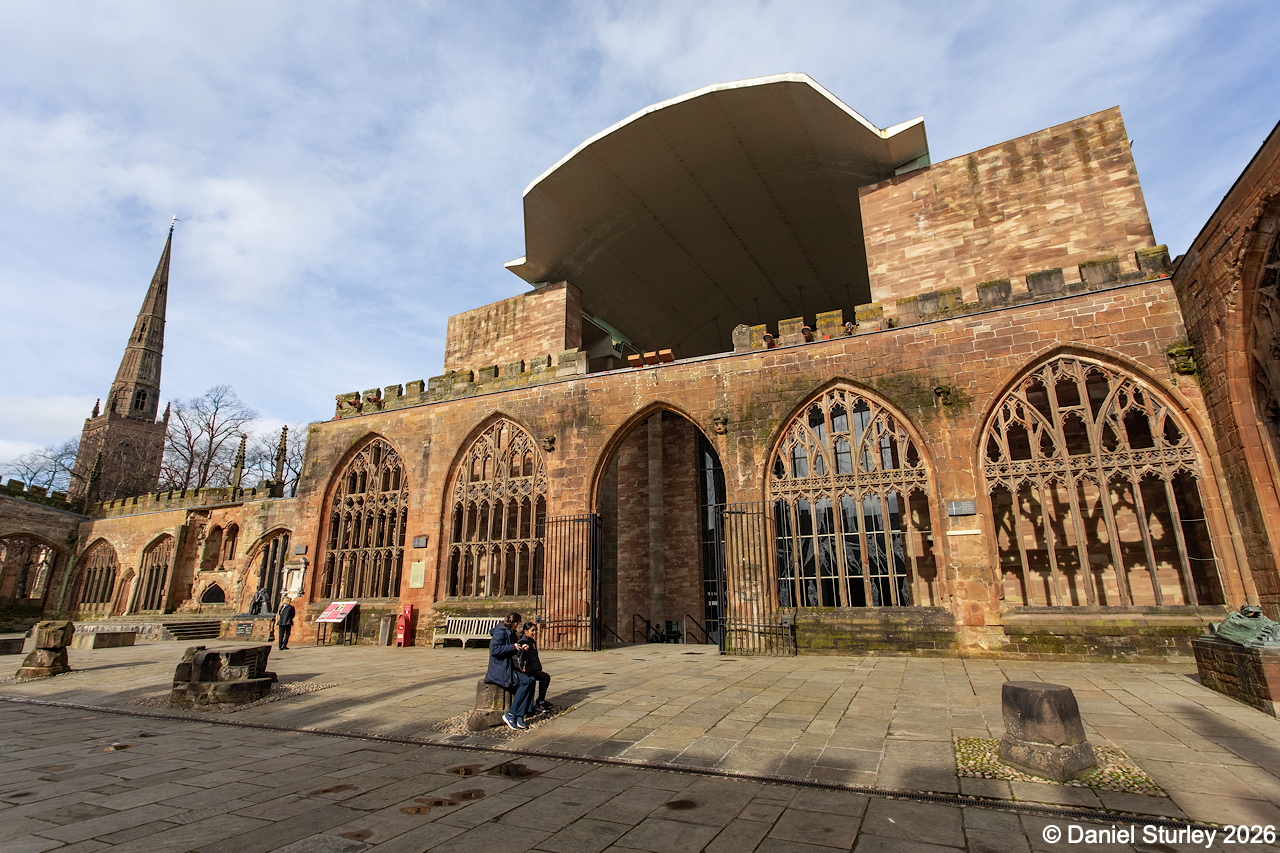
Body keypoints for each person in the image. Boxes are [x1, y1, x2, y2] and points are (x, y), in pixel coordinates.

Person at [485, 612, 535, 729]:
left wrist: (520, 648)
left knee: (531, 680)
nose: (518, 626)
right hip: (500, 670)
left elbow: (511, 650)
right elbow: (494, 650)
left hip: (508, 666)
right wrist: (512, 647)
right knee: (526, 682)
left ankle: (519, 715)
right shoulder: (500, 632)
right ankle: (510, 714)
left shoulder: (510, 632)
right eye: (518, 623)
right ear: (514, 623)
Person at [518, 622, 553, 713]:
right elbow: (520, 657)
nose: (534, 633)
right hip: (527, 670)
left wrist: (538, 667)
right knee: (544, 677)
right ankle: (540, 702)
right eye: (532, 630)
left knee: (546, 677)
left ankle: (541, 700)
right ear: (525, 631)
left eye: (535, 630)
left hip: (533, 668)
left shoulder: (532, 641)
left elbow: (535, 657)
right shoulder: (522, 642)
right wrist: (522, 649)